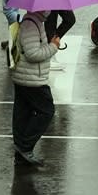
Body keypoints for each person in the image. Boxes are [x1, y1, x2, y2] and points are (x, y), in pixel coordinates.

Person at [11, 10, 60, 166]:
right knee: (46, 111)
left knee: (23, 111)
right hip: (32, 78)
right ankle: (25, 147)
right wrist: (53, 46)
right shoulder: (31, 25)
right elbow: (33, 54)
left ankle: (21, 149)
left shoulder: (33, 22)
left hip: (24, 76)